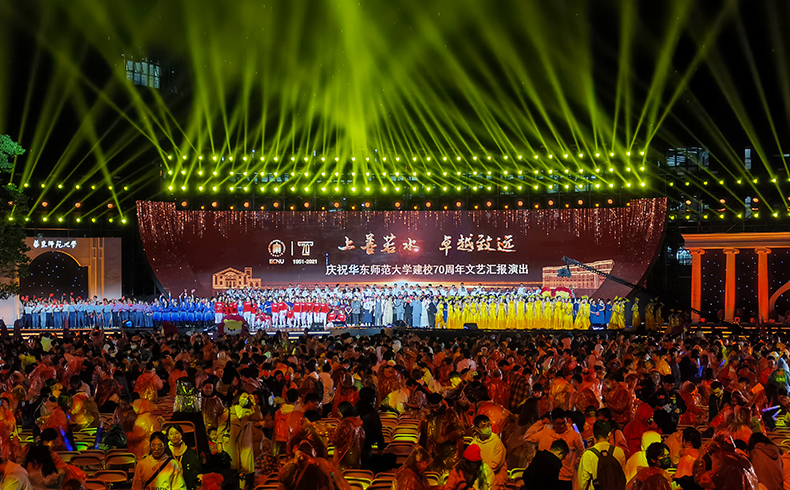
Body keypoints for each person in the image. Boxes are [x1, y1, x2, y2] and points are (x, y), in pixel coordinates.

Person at [525, 408, 585, 490]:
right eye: (558, 424)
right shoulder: (545, 432)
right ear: (552, 423)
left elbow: (582, 452)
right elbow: (527, 437)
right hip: (547, 477)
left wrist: (576, 461)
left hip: (565, 477)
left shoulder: (574, 435)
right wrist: (540, 423)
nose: (562, 426)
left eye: (563, 423)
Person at [419, 393, 464, 475]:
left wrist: (446, 437)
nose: (435, 410)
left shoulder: (450, 415)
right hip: (433, 455)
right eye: (432, 408)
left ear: (442, 403)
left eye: (437, 407)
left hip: (449, 455)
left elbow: (461, 431)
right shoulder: (428, 416)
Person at [578, 420, 627, 490]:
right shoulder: (619, 452)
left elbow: (582, 483)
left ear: (594, 434)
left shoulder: (588, 454)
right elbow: (623, 476)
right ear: (609, 434)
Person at [471, 415, 507, 490]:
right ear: (477, 429)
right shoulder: (474, 443)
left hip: (495, 481)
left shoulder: (496, 441)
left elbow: (496, 464)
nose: (488, 428)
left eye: (489, 425)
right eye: (484, 426)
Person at [166, 424, 202, 490]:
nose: (174, 436)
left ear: (181, 435)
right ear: (168, 437)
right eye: (171, 434)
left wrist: (197, 475)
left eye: (177, 433)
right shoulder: (165, 452)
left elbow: (196, 468)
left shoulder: (189, 452)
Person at [332, 402, 365, 471]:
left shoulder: (345, 424)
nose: (338, 413)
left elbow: (336, 440)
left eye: (339, 411)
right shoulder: (358, 423)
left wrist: (331, 432)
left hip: (344, 457)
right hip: (356, 456)